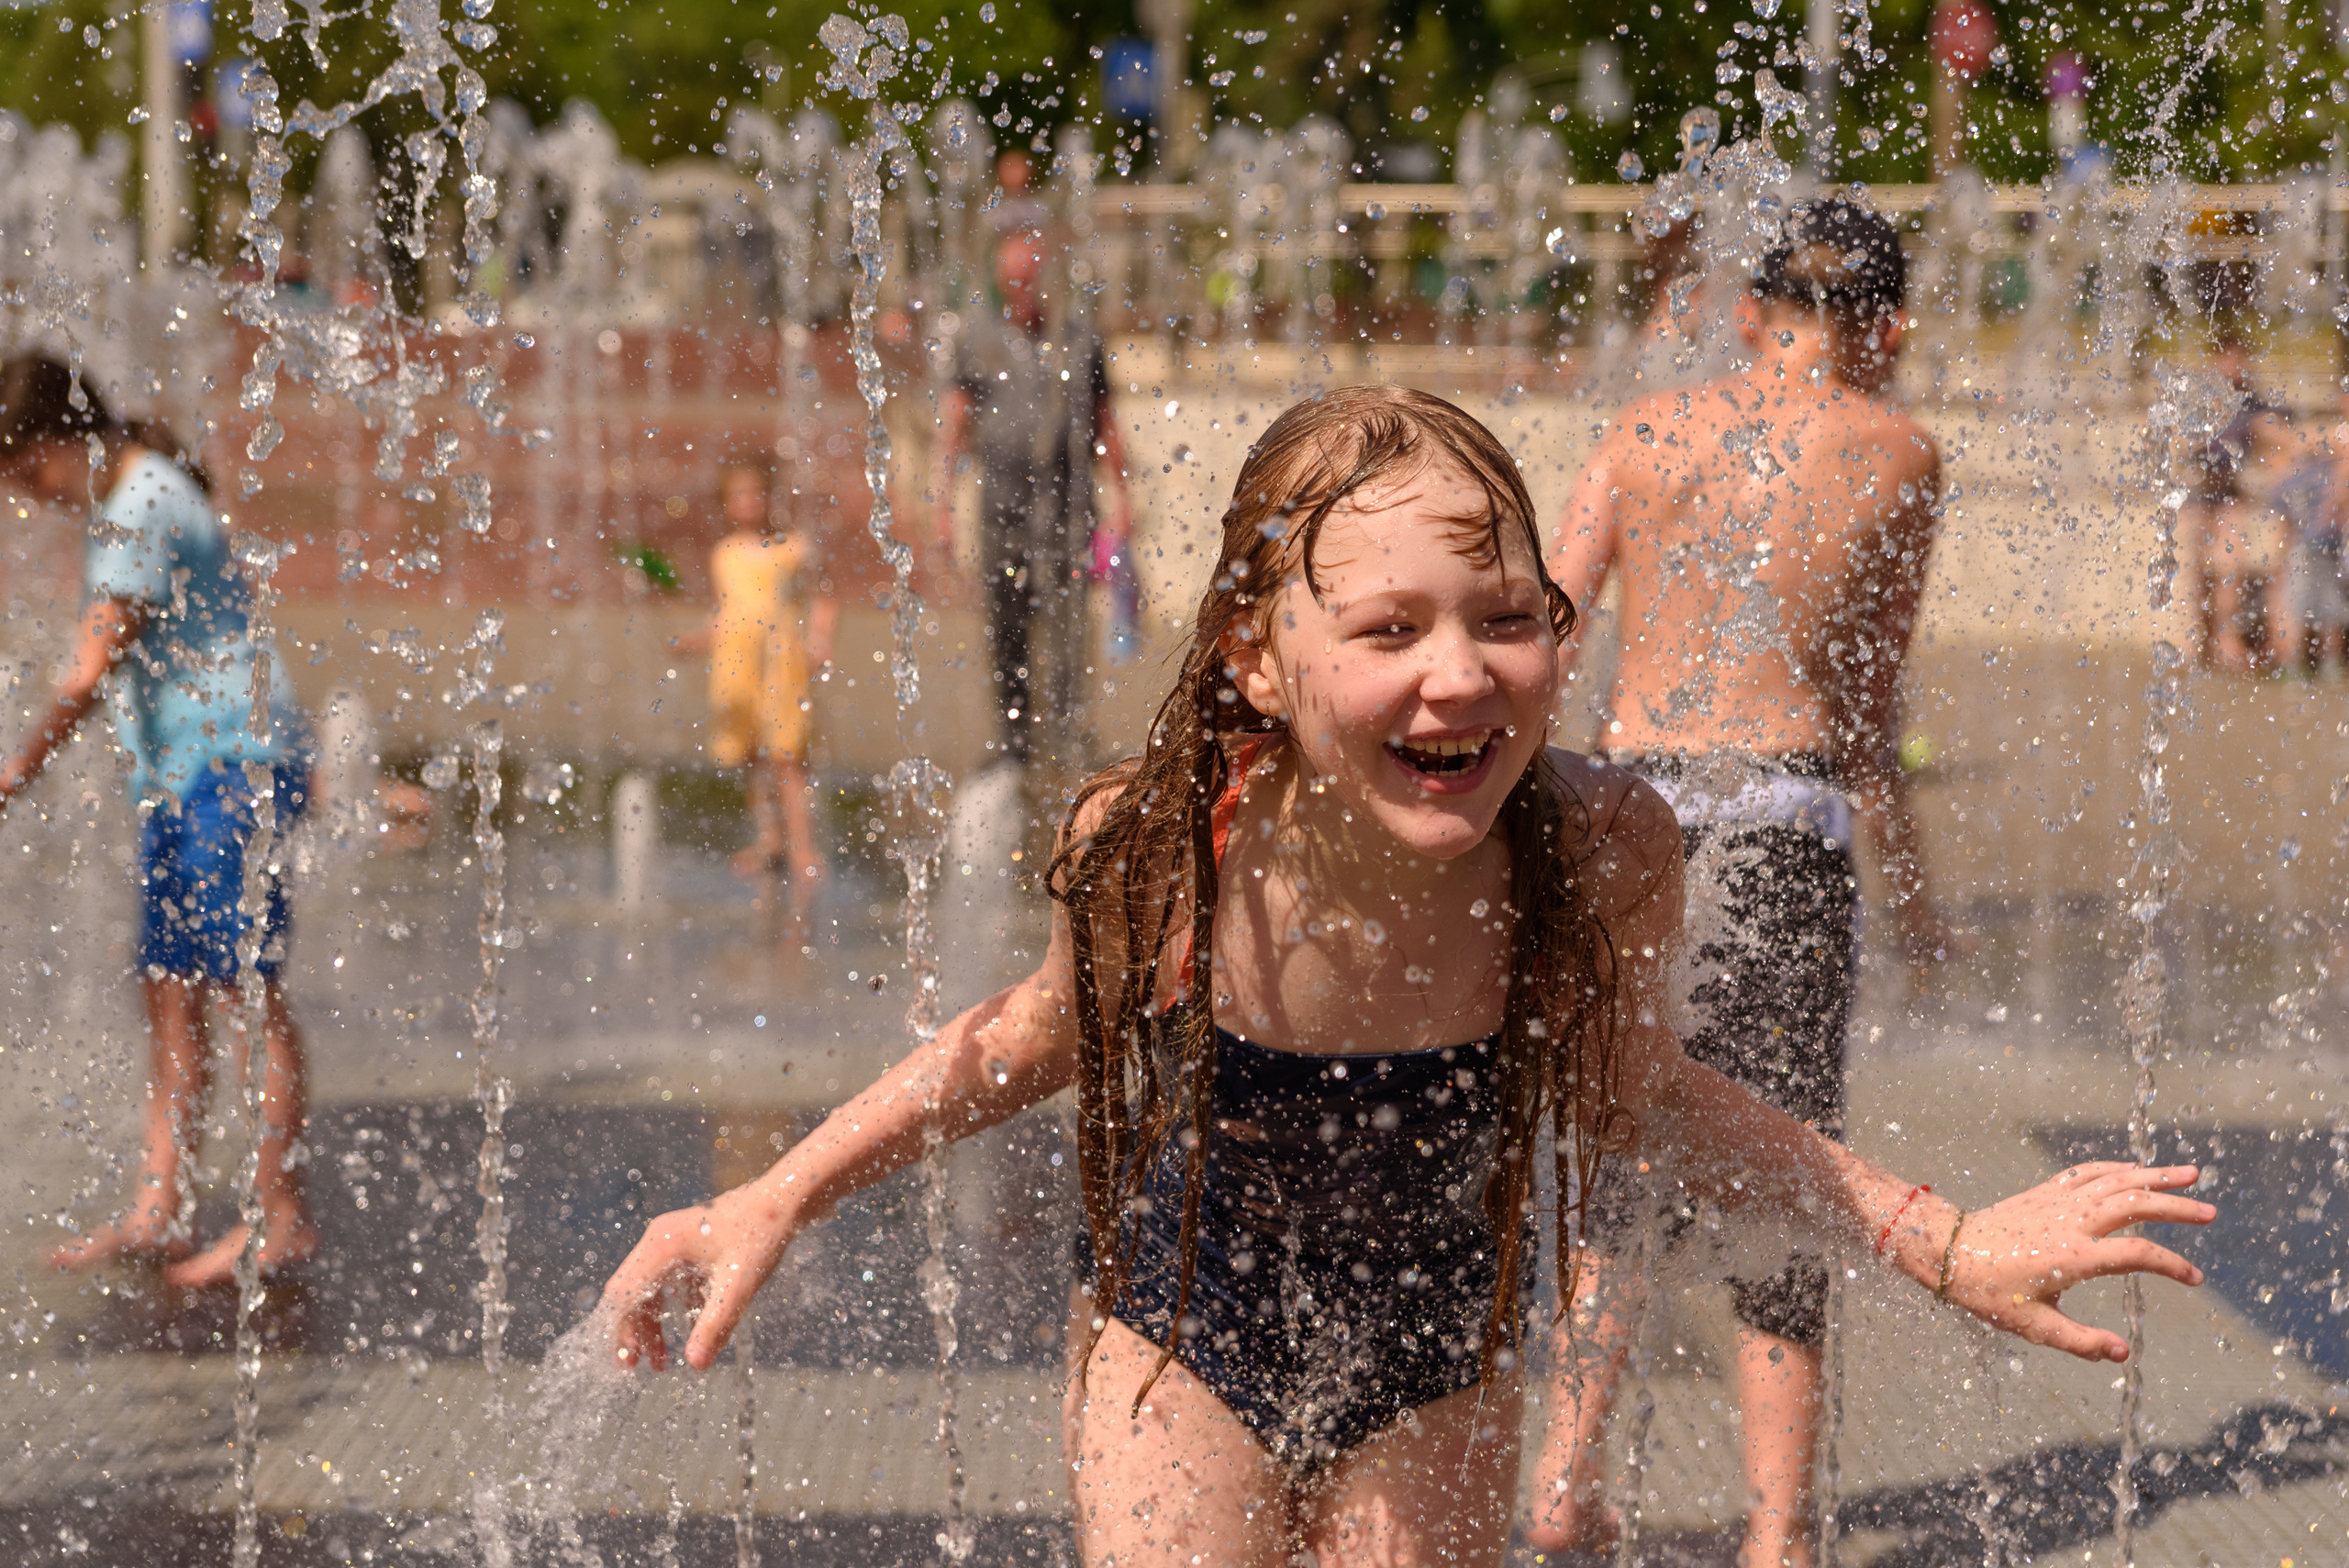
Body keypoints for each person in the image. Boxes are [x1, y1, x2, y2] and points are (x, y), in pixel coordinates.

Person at [600, 384, 2210, 1568]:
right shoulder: (1166, 844)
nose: (1458, 671)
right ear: (1256, 655)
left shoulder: (1598, 847)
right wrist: (781, 1191)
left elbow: (1645, 1096)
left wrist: (1944, 1235)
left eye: (1505, 616)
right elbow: (1024, 1039)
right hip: (1184, 1326)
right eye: (1388, 627)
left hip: (1439, 1352)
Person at [1536, 195, 1970, 1568]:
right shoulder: (1899, 451)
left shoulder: (1644, 435)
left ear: (1745, 314)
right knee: (1785, 1179)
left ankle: (1561, 1477)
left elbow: (1541, 629)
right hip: (1779, 820)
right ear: (1887, 329)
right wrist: (1913, 895)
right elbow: (1864, 698)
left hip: (1627, 812)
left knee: (1621, 1145)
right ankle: (1777, 1533)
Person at [0, 352, 316, 1289]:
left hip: (235, 768)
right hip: (189, 776)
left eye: (23, 473)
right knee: (171, 986)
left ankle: (281, 1217)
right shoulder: (135, 491)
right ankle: (159, 1204)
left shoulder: (139, 505)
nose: (27, 496)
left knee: (243, 992)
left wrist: (15, 767)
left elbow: (90, 667)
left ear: (61, 444)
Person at [930, 223, 1136, 764]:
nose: (1022, 290)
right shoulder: (977, 340)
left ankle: (1070, 734)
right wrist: (942, 506)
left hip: (1068, 512)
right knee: (1006, 624)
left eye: (1030, 278)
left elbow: (1105, 423)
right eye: (1012, 280)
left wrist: (1124, 499)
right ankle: (1014, 738)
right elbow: (954, 425)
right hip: (1001, 512)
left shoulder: (1079, 340)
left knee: (1069, 627)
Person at [699, 460, 837, 920]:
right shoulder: (723, 553)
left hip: (782, 663)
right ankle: (770, 841)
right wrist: (693, 641)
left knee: (788, 759)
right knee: (751, 757)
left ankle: (803, 850)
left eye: (755, 494)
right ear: (726, 504)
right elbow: (724, 614)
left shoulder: (790, 547)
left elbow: (821, 594)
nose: (748, 504)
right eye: (737, 496)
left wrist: (821, 637)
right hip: (737, 665)